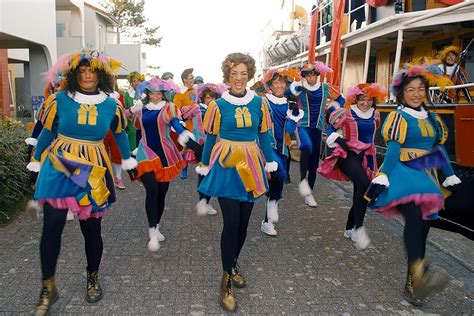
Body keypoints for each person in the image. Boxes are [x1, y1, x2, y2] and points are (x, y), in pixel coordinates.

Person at [26, 49, 137, 315]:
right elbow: (47, 132)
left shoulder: (111, 104)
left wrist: (130, 159)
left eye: (92, 71)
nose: (87, 76)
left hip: (94, 168)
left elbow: (120, 134)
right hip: (59, 167)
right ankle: (48, 286)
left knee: (91, 230)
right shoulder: (58, 100)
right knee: (51, 228)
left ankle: (92, 276)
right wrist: (37, 160)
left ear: (101, 75)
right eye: (82, 71)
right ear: (75, 75)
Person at [368, 64, 461, 305]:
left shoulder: (431, 117)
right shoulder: (399, 116)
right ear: (402, 93)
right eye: (411, 89)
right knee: (414, 221)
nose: (416, 93)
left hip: (426, 175)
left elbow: (437, 149)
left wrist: (449, 175)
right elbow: (393, 148)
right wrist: (383, 174)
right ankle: (418, 274)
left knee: (423, 229)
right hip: (403, 172)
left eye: (421, 89)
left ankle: (413, 282)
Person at [197, 52, 277, 312]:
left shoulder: (259, 103)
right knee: (231, 222)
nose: (239, 78)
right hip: (227, 164)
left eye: (243, 74)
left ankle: (233, 262)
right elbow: (210, 138)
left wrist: (270, 160)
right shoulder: (218, 105)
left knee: (244, 224)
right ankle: (225, 278)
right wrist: (205, 163)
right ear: (227, 77)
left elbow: (264, 134)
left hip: (252, 164)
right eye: (234, 74)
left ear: (249, 75)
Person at [125, 78, 202, 252]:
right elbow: (125, 120)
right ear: (147, 94)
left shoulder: (169, 108)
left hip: (166, 155)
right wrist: (130, 109)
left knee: (161, 194)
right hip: (145, 153)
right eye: (152, 93)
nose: (155, 97)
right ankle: (152, 230)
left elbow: (178, 128)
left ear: (163, 94)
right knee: (151, 190)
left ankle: (156, 224)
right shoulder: (141, 110)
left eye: (158, 93)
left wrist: (195, 147)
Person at [318, 83, 386, 249]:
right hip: (347, 155)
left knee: (361, 191)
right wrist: (340, 140)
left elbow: (372, 137)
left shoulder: (376, 115)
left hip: (366, 157)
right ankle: (358, 228)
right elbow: (329, 127)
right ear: (356, 99)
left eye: (369, 100)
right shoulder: (345, 113)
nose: (365, 103)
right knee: (364, 185)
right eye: (362, 99)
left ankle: (349, 228)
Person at [288, 61, 344, 207]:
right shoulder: (299, 86)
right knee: (306, 147)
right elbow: (287, 94)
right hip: (303, 125)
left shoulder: (326, 88)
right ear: (305, 76)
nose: (311, 78)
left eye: (313, 74)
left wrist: (331, 110)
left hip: (318, 127)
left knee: (313, 164)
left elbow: (341, 99)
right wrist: (293, 92)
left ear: (318, 75)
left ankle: (309, 193)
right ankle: (302, 181)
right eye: (308, 75)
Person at [260, 69, 303, 236]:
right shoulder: (263, 101)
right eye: (275, 83)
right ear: (270, 85)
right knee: (277, 176)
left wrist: (293, 115)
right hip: (266, 147)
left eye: (282, 83)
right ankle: (268, 213)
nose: (279, 86)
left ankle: (267, 221)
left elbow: (291, 129)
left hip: (282, 148)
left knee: (278, 181)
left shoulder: (289, 104)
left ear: (286, 85)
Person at [195, 83, 228, 216]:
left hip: (219, 146)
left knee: (215, 173)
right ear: (203, 99)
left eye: (212, 97)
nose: (210, 100)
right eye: (207, 98)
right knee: (204, 172)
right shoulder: (199, 110)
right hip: (203, 145)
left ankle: (207, 200)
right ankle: (203, 200)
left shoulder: (221, 110)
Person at [173, 68, 198, 179]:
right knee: (186, 147)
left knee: (201, 145)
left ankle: (204, 167)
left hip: (198, 123)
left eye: (193, 77)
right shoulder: (180, 94)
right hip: (187, 124)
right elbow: (175, 109)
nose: (193, 79)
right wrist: (182, 119)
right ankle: (184, 169)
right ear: (184, 80)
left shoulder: (196, 90)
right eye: (190, 77)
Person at [124, 71, 145, 152]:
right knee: (133, 145)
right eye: (134, 81)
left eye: (138, 80)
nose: (136, 83)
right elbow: (126, 108)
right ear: (131, 83)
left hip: (144, 121)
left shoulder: (146, 92)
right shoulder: (127, 94)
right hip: (132, 122)